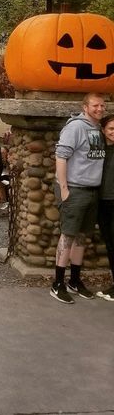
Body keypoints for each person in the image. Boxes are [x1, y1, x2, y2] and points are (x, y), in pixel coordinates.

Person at [51, 92, 106, 304]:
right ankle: (57, 283)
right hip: (75, 189)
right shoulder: (75, 128)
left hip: (92, 190)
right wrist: (64, 188)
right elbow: (61, 156)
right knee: (68, 235)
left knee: (82, 236)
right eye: (95, 105)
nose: (99, 109)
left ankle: (74, 280)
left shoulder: (97, 129)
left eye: (102, 105)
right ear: (85, 107)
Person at [96, 114, 114, 301]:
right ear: (103, 130)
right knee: (109, 244)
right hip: (102, 201)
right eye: (111, 129)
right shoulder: (99, 150)